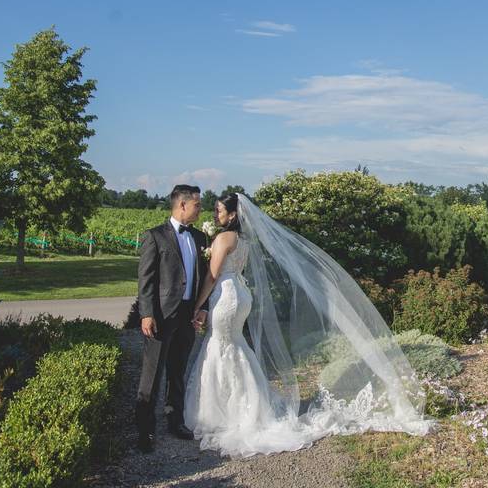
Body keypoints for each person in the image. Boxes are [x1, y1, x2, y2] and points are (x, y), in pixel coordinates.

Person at [183, 193, 431, 458]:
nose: (215, 214)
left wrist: (197, 305)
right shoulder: (244, 240)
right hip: (241, 295)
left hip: (226, 294)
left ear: (232, 215)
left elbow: (211, 276)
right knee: (235, 344)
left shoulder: (223, 238)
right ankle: (248, 403)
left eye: (219, 210)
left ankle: (224, 411)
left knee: (220, 344)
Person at [134, 184, 209, 452]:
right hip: (162, 316)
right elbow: (146, 280)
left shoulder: (200, 238)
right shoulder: (155, 236)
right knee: (152, 374)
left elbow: (204, 279)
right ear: (182, 205)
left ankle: (174, 420)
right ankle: (145, 430)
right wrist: (147, 314)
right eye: (198, 205)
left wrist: (204, 308)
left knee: (178, 370)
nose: (201, 209)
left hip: (189, 315)